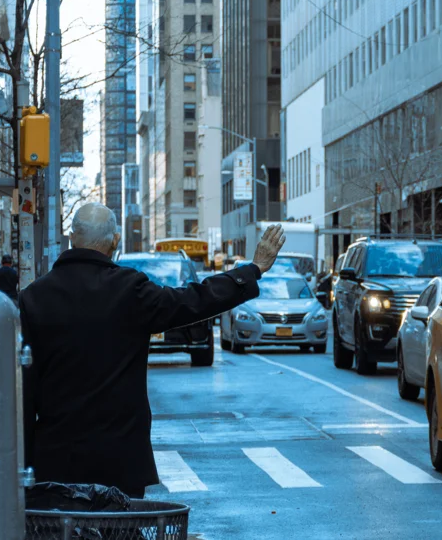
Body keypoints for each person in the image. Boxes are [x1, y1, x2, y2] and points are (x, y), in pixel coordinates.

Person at [20, 203, 285, 498]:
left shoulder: (32, 299)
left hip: (54, 462)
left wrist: (23, 466)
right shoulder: (129, 290)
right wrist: (252, 270)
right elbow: (194, 300)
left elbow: (23, 393)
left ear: (71, 238)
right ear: (115, 241)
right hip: (119, 461)